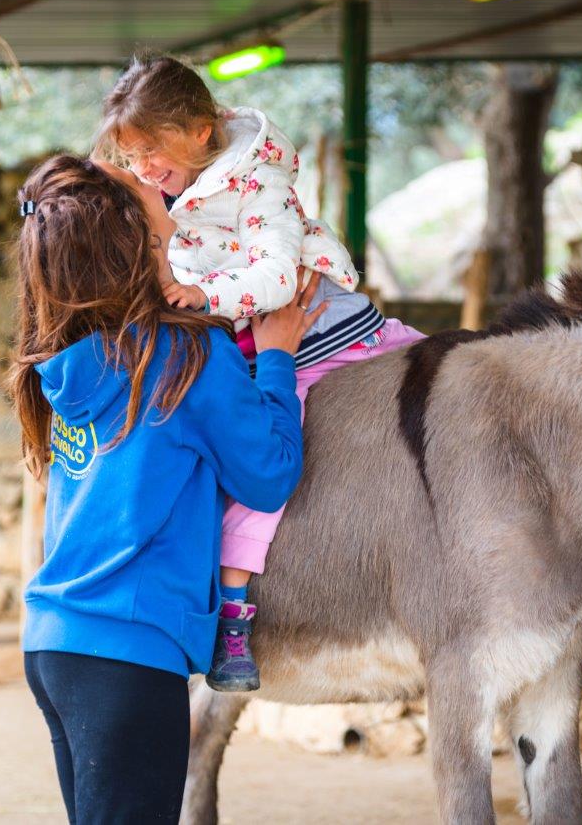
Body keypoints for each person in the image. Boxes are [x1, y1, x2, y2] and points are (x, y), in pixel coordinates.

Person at [7, 154, 323, 823]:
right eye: (159, 227)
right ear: (137, 252)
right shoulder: (182, 356)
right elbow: (267, 476)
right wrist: (277, 356)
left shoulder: (71, 358)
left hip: (56, 646)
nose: (168, 206)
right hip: (125, 654)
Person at [96, 55, 424, 691]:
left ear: (199, 131)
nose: (143, 171)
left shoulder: (257, 184)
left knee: (262, 469)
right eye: (131, 159)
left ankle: (235, 618)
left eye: (151, 153)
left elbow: (276, 275)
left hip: (309, 339)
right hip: (265, 335)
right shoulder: (182, 181)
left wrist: (205, 299)